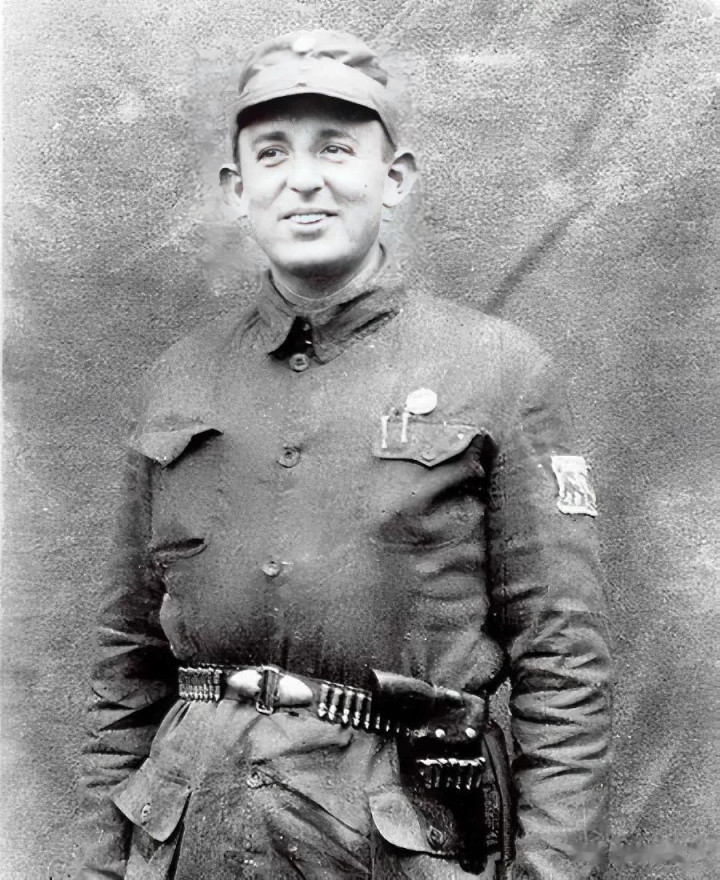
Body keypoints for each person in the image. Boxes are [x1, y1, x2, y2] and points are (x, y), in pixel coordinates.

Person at [77, 29, 613, 880]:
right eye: (272, 152)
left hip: (395, 842)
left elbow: (563, 665)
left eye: (335, 148)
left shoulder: (501, 372)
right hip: (189, 835)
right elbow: (125, 659)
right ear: (237, 188)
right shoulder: (175, 382)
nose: (304, 179)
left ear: (394, 178)